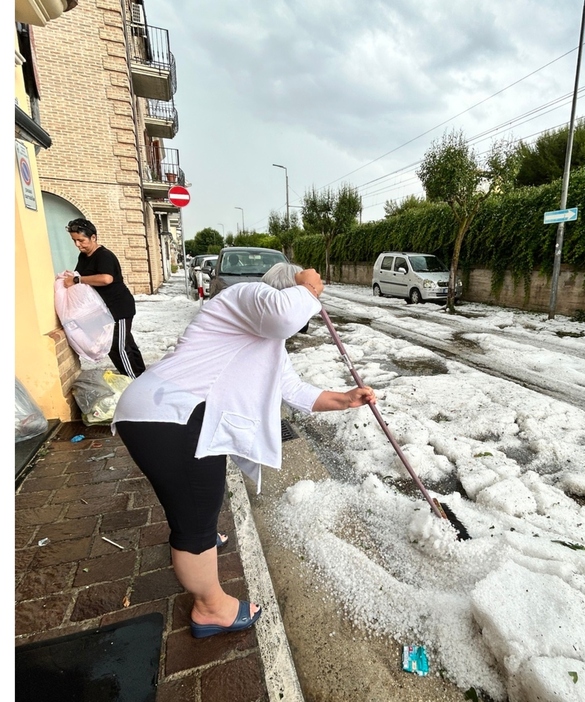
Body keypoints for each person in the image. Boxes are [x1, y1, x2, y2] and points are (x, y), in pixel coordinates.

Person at [112, 263, 375, 638]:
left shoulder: (267, 339)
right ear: (284, 293)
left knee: (198, 496)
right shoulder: (245, 296)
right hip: (170, 416)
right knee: (195, 522)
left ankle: (201, 538)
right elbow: (285, 315)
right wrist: (306, 283)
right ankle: (210, 608)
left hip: (166, 414)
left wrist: (345, 399)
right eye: (305, 301)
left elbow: (294, 389)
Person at [63, 218, 146, 378]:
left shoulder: (104, 256)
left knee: (118, 346)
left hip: (119, 308)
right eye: (74, 241)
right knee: (123, 344)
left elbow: (106, 278)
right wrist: (73, 276)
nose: (78, 245)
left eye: (81, 240)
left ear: (93, 237)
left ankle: (133, 381)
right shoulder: (84, 257)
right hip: (105, 309)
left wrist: (77, 279)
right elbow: (81, 276)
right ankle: (141, 377)